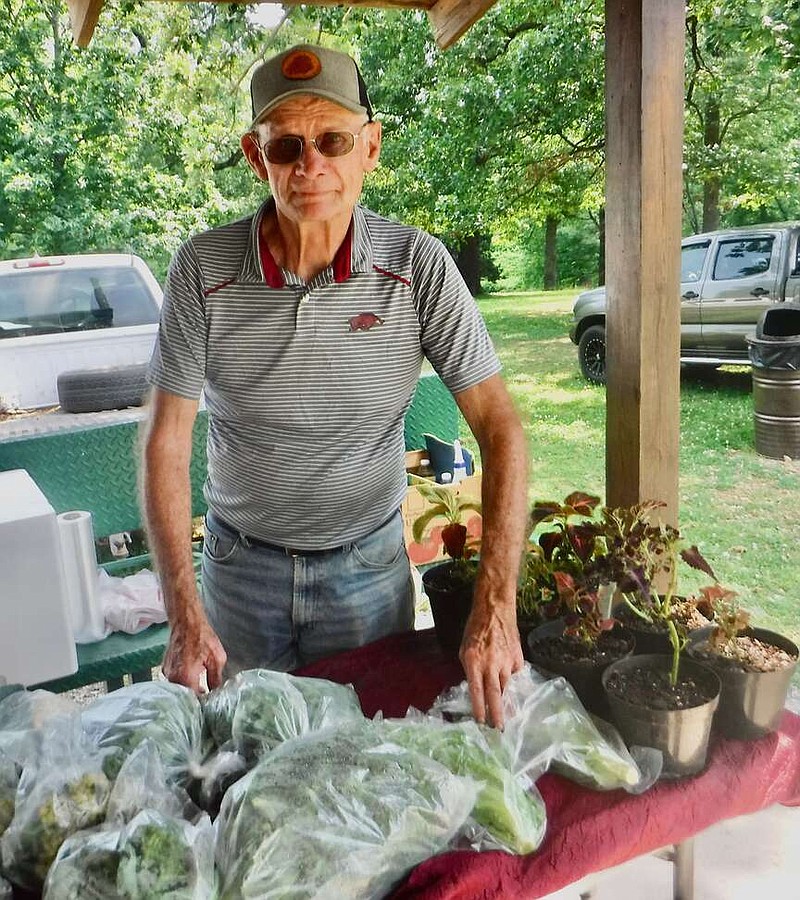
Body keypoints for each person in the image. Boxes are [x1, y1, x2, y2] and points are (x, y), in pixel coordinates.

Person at [140, 43, 528, 728]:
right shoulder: (203, 268)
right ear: (257, 157)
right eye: (286, 145)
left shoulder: (419, 266)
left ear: (369, 149)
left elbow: (501, 428)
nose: (309, 163)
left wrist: (496, 605)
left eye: (333, 140)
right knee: (242, 759)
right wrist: (182, 613)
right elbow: (166, 440)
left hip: (366, 571)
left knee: (363, 758)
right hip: (240, 572)